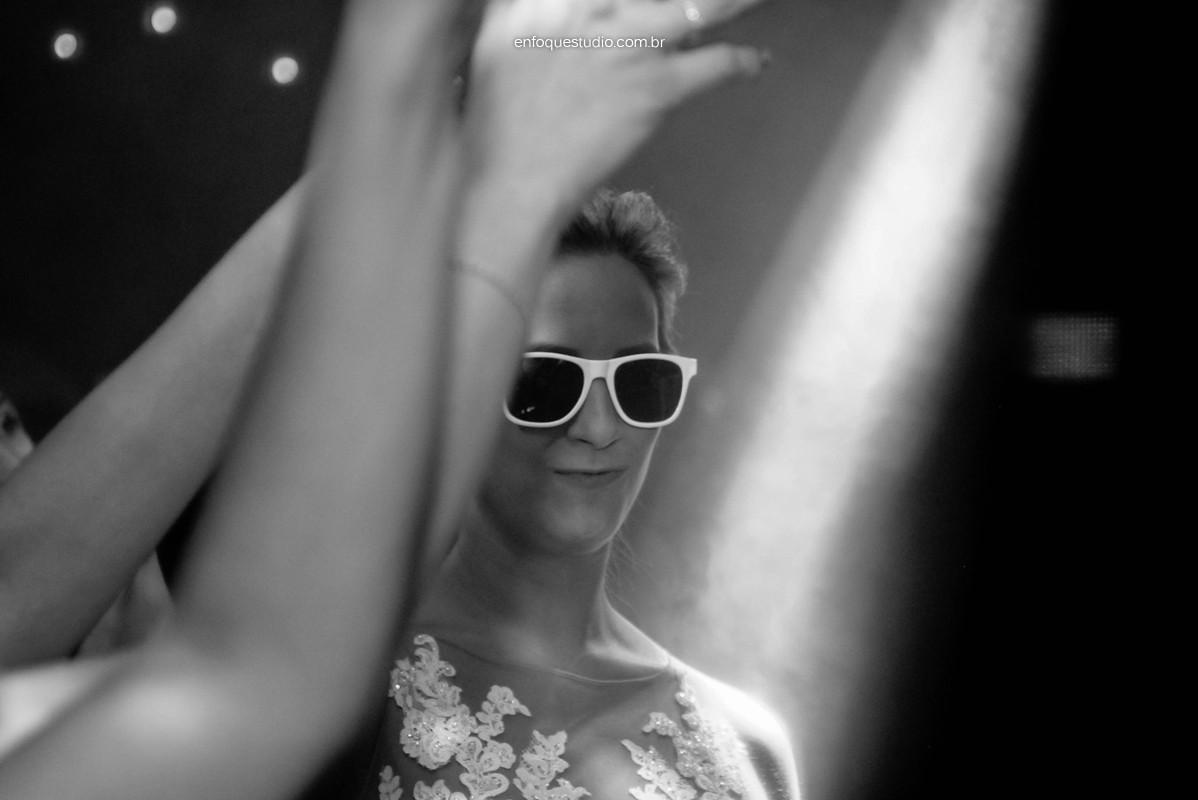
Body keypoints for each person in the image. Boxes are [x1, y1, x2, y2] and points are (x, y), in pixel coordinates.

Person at [1, 0, 782, 797]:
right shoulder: (332, 678)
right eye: (543, 382)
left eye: (643, 383)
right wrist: (448, 119)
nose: (599, 424)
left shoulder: (751, 743)